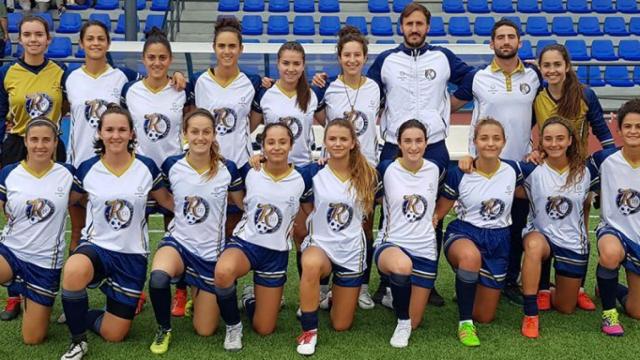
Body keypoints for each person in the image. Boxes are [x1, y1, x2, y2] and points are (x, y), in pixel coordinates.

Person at [59, 105, 173, 360]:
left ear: (132, 134)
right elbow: (68, 200)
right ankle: (78, 341)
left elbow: (167, 201)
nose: (116, 135)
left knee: (114, 333)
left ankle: (81, 313)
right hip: (96, 247)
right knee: (75, 268)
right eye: (109, 129)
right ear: (100, 133)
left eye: (122, 129)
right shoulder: (88, 168)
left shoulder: (146, 167)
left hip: (132, 256)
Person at [450, 19, 542, 304]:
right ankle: (469, 274)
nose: (505, 42)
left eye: (510, 37)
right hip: (482, 165)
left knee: (514, 226)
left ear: (519, 42)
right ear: (491, 44)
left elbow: (546, 108)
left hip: (518, 165)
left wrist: (537, 146)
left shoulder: (534, 76)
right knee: (478, 223)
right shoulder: (477, 77)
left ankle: (509, 280)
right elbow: (447, 107)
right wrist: (466, 151)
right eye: (500, 37)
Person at [148, 109, 244, 354]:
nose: (200, 137)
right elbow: (166, 199)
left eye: (206, 132)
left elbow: (243, 204)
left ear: (214, 134)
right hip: (179, 244)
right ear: (185, 134)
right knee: (158, 277)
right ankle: (163, 330)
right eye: (194, 131)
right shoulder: (172, 165)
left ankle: (196, 292)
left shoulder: (227, 168)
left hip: (210, 253)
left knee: (205, 329)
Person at [214, 122, 311, 351]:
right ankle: (233, 327)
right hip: (246, 243)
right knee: (222, 272)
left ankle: (250, 298)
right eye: (271, 142)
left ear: (291, 145)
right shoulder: (250, 170)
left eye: (282, 142)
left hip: (275, 253)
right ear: (262, 146)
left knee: (264, 328)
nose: (276, 147)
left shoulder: (302, 177)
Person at [532, 43, 615, 311]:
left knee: (578, 225)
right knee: (543, 223)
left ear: (567, 66)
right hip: (548, 170)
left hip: (579, 171)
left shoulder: (585, 95)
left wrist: (610, 173)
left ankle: (577, 286)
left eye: (557, 64)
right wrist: (533, 151)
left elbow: (604, 134)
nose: (552, 70)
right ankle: (543, 287)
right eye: (547, 65)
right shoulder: (537, 96)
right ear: (540, 68)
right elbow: (527, 129)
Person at [434, 118, 522, 347]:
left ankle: (468, 289)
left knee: (485, 316)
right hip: (465, 233)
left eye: (496, 138)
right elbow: (439, 213)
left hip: (499, 240)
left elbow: (547, 168)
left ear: (504, 142)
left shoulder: (514, 169)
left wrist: (536, 156)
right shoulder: (460, 172)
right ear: (475, 142)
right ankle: (465, 324)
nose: (490, 143)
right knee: (470, 258)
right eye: (484, 138)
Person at [312, 25, 382, 310]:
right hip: (335, 168)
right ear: (339, 57)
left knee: (364, 228)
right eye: (346, 55)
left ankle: (362, 285)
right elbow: (316, 116)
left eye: (357, 55)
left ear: (364, 57)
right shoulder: (328, 88)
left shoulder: (375, 87)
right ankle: (322, 288)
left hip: (366, 168)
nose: (352, 60)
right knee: (328, 223)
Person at [295, 119, 377, 355]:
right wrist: (257, 160)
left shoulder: (369, 173)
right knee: (310, 263)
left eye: (343, 139)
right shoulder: (313, 172)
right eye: (332, 139)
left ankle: (331, 297)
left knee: (341, 325)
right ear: (325, 142)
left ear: (353, 142)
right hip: (320, 245)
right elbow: (279, 170)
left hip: (351, 251)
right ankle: (309, 331)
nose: (338, 143)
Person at [0, 118, 81, 343]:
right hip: (10, 252)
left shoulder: (68, 174)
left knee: (32, 339)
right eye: (34, 139)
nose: (40, 145)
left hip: (44, 263)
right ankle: (21, 292)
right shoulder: (9, 172)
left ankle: (29, 296)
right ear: (25, 141)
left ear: (56, 142)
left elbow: (81, 200)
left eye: (46, 140)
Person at [518, 117, 596, 339]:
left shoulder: (585, 171)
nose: (554, 144)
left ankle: (551, 291)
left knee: (565, 307)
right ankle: (530, 313)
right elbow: (497, 173)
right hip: (540, 235)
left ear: (570, 140)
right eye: (548, 139)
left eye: (560, 138)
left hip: (572, 241)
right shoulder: (531, 169)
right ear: (540, 142)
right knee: (533, 246)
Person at [250, 41, 318, 286]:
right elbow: (245, 129)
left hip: (301, 171)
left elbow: (333, 124)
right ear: (278, 64)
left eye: (296, 63)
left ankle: (308, 291)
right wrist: (255, 154)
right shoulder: (266, 94)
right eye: (286, 63)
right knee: (269, 229)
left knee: (301, 232)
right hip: (271, 171)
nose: (291, 68)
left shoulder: (311, 95)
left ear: (303, 66)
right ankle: (264, 287)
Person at [374, 119, 443, 348]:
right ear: (399, 144)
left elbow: (452, 191)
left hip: (425, 249)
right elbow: (360, 180)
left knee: (417, 321)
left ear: (426, 143)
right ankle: (402, 322)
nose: (413, 147)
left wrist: (437, 215)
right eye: (408, 141)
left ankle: (392, 298)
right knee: (402, 266)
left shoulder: (435, 169)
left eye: (419, 141)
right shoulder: (386, 168)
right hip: (392, 244)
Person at [590, 98, 640, 337]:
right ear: (618, 130)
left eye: (639, 126)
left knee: (636, 310)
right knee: (609, 254)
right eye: (628, 126)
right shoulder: (604, 159)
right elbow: (569, 167)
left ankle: (609, 288)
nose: (633, 131)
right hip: (614, 230)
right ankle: (609, 313)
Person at [0, 15, 67, 167]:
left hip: (50, 146)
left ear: (48, 39)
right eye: (27, 34)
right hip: (16, 146)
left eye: (39, 34)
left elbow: (66, 105)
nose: (33, 39)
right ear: (20, 39)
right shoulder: (6, 72)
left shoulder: (61, 71)